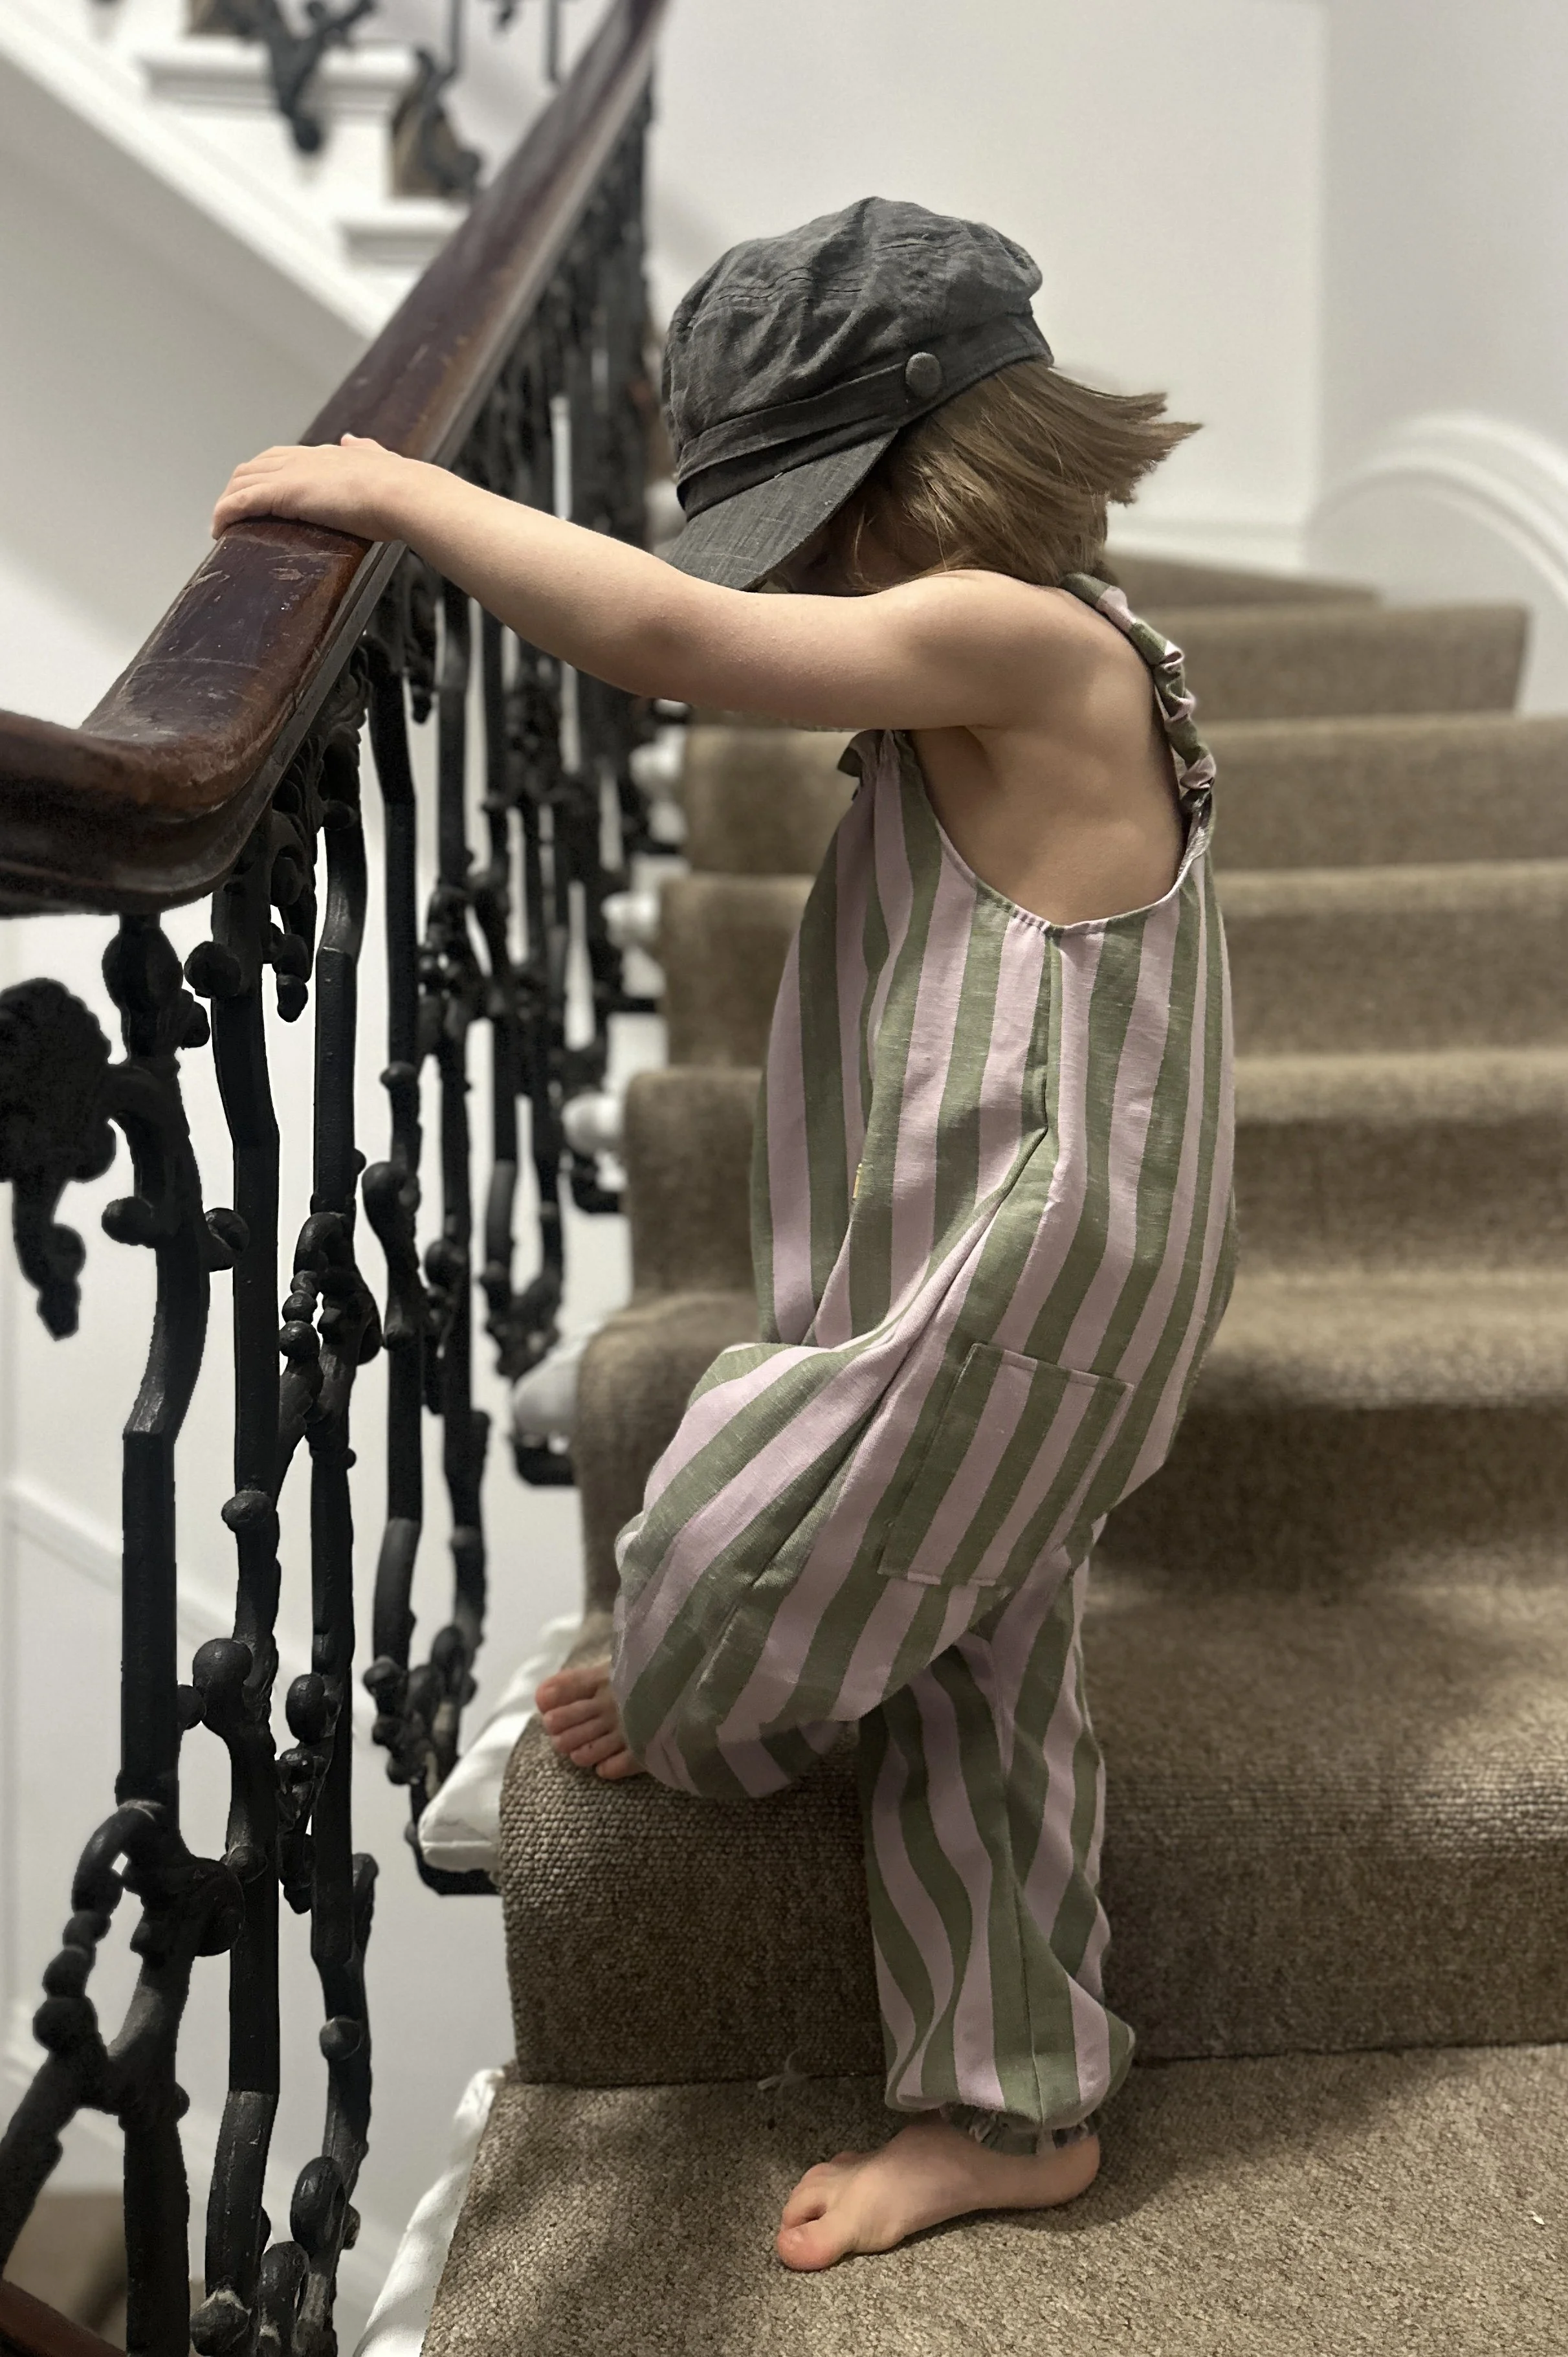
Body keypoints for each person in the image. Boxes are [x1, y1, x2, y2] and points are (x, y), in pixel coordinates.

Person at [213, 197, 1237, 2273]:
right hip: (1043, 1261)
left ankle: (728, 1705)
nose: (809, 576)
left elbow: (676, 644)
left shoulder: (1015, 639)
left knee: (712, 1538)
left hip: (1022, 1276)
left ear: (907, 483)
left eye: (812, 525)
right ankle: (1014, 2102)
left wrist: (396, 490)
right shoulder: (1053, 642)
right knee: (981, 1659)